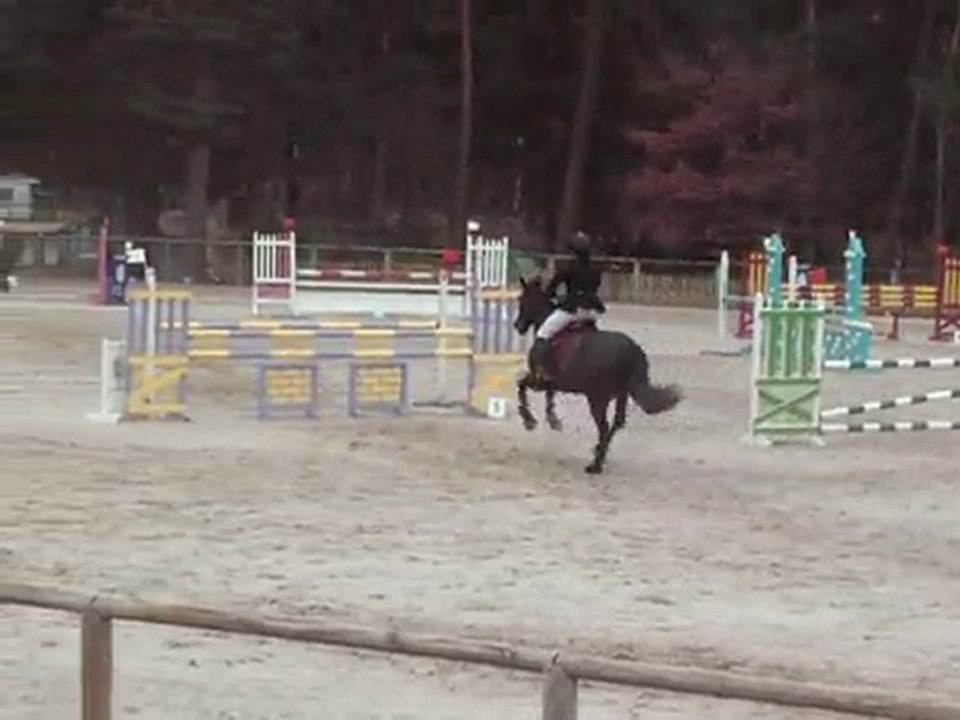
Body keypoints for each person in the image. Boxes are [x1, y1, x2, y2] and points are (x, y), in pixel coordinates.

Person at [529, 232, 606, 380]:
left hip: (573, 310)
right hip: (592, 312)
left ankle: (542, 370)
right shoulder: (595, 270)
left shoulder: (568, 268)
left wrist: (554, 298)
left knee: (543, 333)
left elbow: (551, 290)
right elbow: (592, 288)